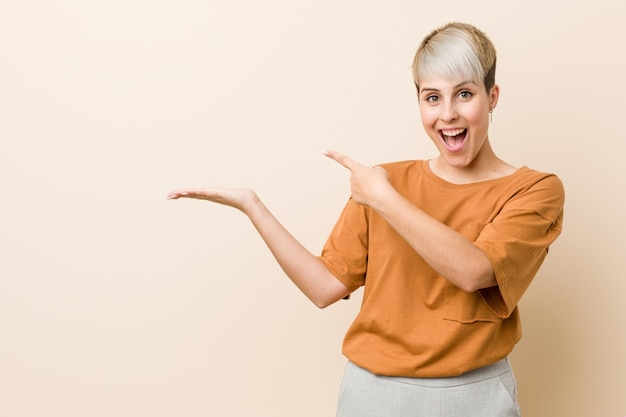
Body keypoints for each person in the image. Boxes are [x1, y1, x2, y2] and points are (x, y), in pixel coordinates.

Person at [167, 22, 564, 417]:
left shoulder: (534, 190)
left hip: (473, 395)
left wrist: (383, 199)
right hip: (372, 394)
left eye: (464, 94)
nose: (448, 114)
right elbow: (324, 287)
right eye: (432, 98)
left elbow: (474, 270)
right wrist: (253, 206)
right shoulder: (385, 182)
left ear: (492, 97)